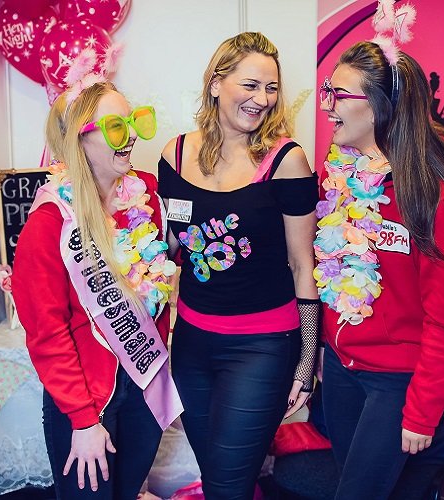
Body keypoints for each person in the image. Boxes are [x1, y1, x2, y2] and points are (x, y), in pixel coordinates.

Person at [157, 32, 320, 499]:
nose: (262, 99)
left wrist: (307, 361)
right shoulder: (176, 154)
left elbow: (301, 263)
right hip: (191, 345)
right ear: (215, 83)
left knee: (228, 485)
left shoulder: (287, 160)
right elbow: (171, 249)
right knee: (219, 479)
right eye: (250, 85)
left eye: (271, 88)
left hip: (261, 347)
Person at [316, 40, 444, 498]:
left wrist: (423, 409)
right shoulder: (339, 175)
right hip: (343, 372)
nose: (327, 106)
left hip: (397, 383)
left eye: (339, 95)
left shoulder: (429, 193)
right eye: (328, 91)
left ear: (380, 107)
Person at [12, 80, 180, 499]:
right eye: (115, 127)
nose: (132, 138)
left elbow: (158, 289)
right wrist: (82, 421)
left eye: (133, 122)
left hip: (143, 387)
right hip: (86, 399)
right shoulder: (49, 224)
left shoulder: (147, 200)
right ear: (79, 139)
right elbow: (47, 334)